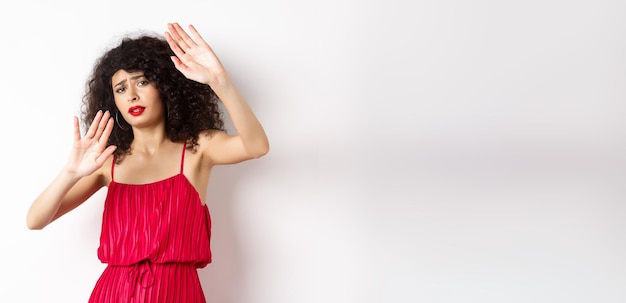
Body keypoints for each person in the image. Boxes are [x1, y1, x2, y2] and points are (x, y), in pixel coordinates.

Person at [26, 22, 269, 302]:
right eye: (120, 88)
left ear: (165, 86)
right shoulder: (109, 163)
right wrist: (70, 172)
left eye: (141, 81)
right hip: (114, 293)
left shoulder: (198, 149)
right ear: (112, 101)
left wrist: (219, 81)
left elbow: (257, 146)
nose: (132, 95)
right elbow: (35, 220)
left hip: (178, 293)